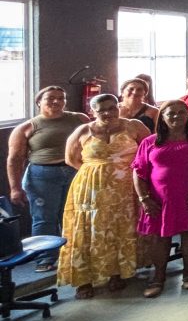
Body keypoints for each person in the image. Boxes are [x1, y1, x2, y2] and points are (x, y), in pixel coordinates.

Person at [57, 93, 151, 298]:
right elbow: (70, 158)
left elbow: (149, 151)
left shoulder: (134, 126)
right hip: (91, 188)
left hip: (127, 188)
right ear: (93, 112)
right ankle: (84, 279)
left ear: (119, 107)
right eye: (102, 110)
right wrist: (97, 170)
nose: (108, 113)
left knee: (121, 228)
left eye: (112, 108)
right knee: (90, 229)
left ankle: (117, 273)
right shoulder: (83, 131)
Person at [131, 100, 188, 298]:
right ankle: (158, 277)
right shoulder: (150, 141)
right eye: (171, 113)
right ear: (162, 117)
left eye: (181, 112)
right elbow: (139, 171)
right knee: (160, 237)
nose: (177, 116)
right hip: (159, 198)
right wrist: (144, 198)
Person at [6, 85, 88, 271]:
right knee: (44, 219)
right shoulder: (27, 127)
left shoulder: (79, 119)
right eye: (50, 98)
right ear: (39, 102)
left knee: (74, 215)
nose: (56, 101)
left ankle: (73, 256)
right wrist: (15, 188)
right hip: (42, 177)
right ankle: (45, 259)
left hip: (75, 173)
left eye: (61, 98)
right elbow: (14, 159)